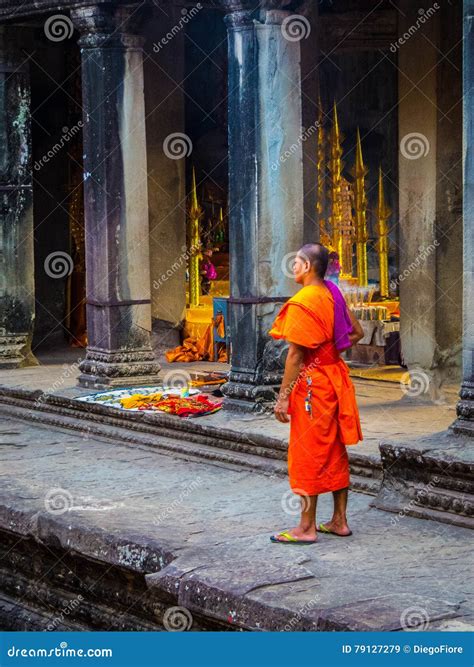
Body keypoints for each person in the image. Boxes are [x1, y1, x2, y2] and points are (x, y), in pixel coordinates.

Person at [268, 243, 364, 544]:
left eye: (296, 261)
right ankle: (339, 520)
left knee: (307, 452)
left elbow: (295, 355)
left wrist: (283, 397)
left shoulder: (303, 301)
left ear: (307, 266)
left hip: (313, 386)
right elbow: (357, 332)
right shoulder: (332, 293)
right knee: (334, 448)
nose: (293, 266)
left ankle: (306, 527)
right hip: (335, 378)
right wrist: (328, 352)